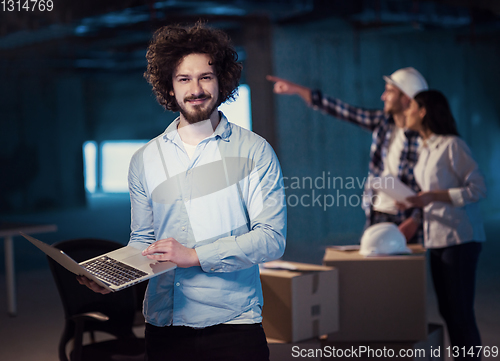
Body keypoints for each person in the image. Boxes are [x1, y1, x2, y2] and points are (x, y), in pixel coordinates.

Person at [78, 23, 287, 361]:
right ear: (170, 88)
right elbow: (143, 240)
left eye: (205, 76)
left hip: (232, 325)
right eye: (184, 79)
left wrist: (195, 255)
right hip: (164, 324)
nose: (196, 89)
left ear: (221, 81)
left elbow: (272, 239)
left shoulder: (254, 152)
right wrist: (115, 277)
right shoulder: (145, 159)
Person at [267, 68, 427, 243]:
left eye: (389, 91)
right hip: (377, 212)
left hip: (407, 218)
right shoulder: (383, 124)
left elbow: (431, 185)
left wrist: (416, 219)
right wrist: (298, 90)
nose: (383, 97)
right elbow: (343, 110)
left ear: (406, 98)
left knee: (407, 269)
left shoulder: (425, 138)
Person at [402, 89, 485, 359]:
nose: (407, 112)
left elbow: (478, 187)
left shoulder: (452, 145)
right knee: (448, 312)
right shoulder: (425, 149)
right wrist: (414, 203)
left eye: (411, 107)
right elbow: (429, 195)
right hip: (436, 238)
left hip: (460, 238)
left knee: (461, 314)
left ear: (423, 111)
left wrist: (433, 197)